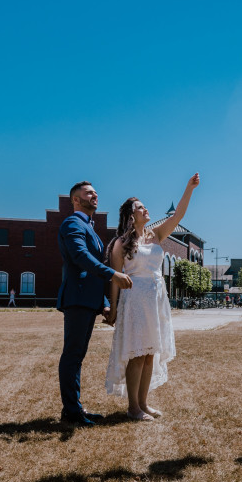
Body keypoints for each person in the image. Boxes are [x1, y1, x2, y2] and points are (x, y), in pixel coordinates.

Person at [104, 173, 200, 421]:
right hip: (134, 301)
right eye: (140, 208)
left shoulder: (155, 234)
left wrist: (189, 188)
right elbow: (114, 279)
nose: (146, 210)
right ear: (130, 215)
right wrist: (112, 310)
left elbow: (177, 216)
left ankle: (144, 404)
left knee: (150, 354)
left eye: (145, 207)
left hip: (156, 299)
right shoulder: (121, 243)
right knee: (137, 353)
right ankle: (132, 408)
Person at [57, 181, 133, 427]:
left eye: (96, 192)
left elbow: (90, 272)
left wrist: (104, 304)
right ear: (75, 200)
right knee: (72, 355)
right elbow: (80, 257)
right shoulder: (72, 223)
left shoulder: (90, 227)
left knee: (77, 356)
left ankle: (74, 408)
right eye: (88, 193)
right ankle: (71, 411)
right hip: (77, 299)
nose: (94, 195)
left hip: (88, 301)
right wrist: (113, 275)